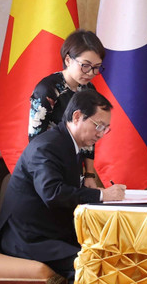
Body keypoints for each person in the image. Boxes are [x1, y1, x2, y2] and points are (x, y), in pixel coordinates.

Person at [0, 90, 126, 284]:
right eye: (98, 125)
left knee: (107, 249)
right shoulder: (48, 146)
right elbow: (52, 193)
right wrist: (102, 195)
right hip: (25, 236)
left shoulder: (68, 144)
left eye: (106, 128)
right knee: (86, 261)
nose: (101, 133)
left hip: (47, 228)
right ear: (76, 116)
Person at [29, 29, 106, 190]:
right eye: (85, 66)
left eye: (96, 67)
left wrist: (89, 174)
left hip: (74, 165)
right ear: (68, 60)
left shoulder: (88, 90)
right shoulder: (47, 89)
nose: (91, 73)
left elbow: (89, 136)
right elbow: (36, 141)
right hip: (49, 166)